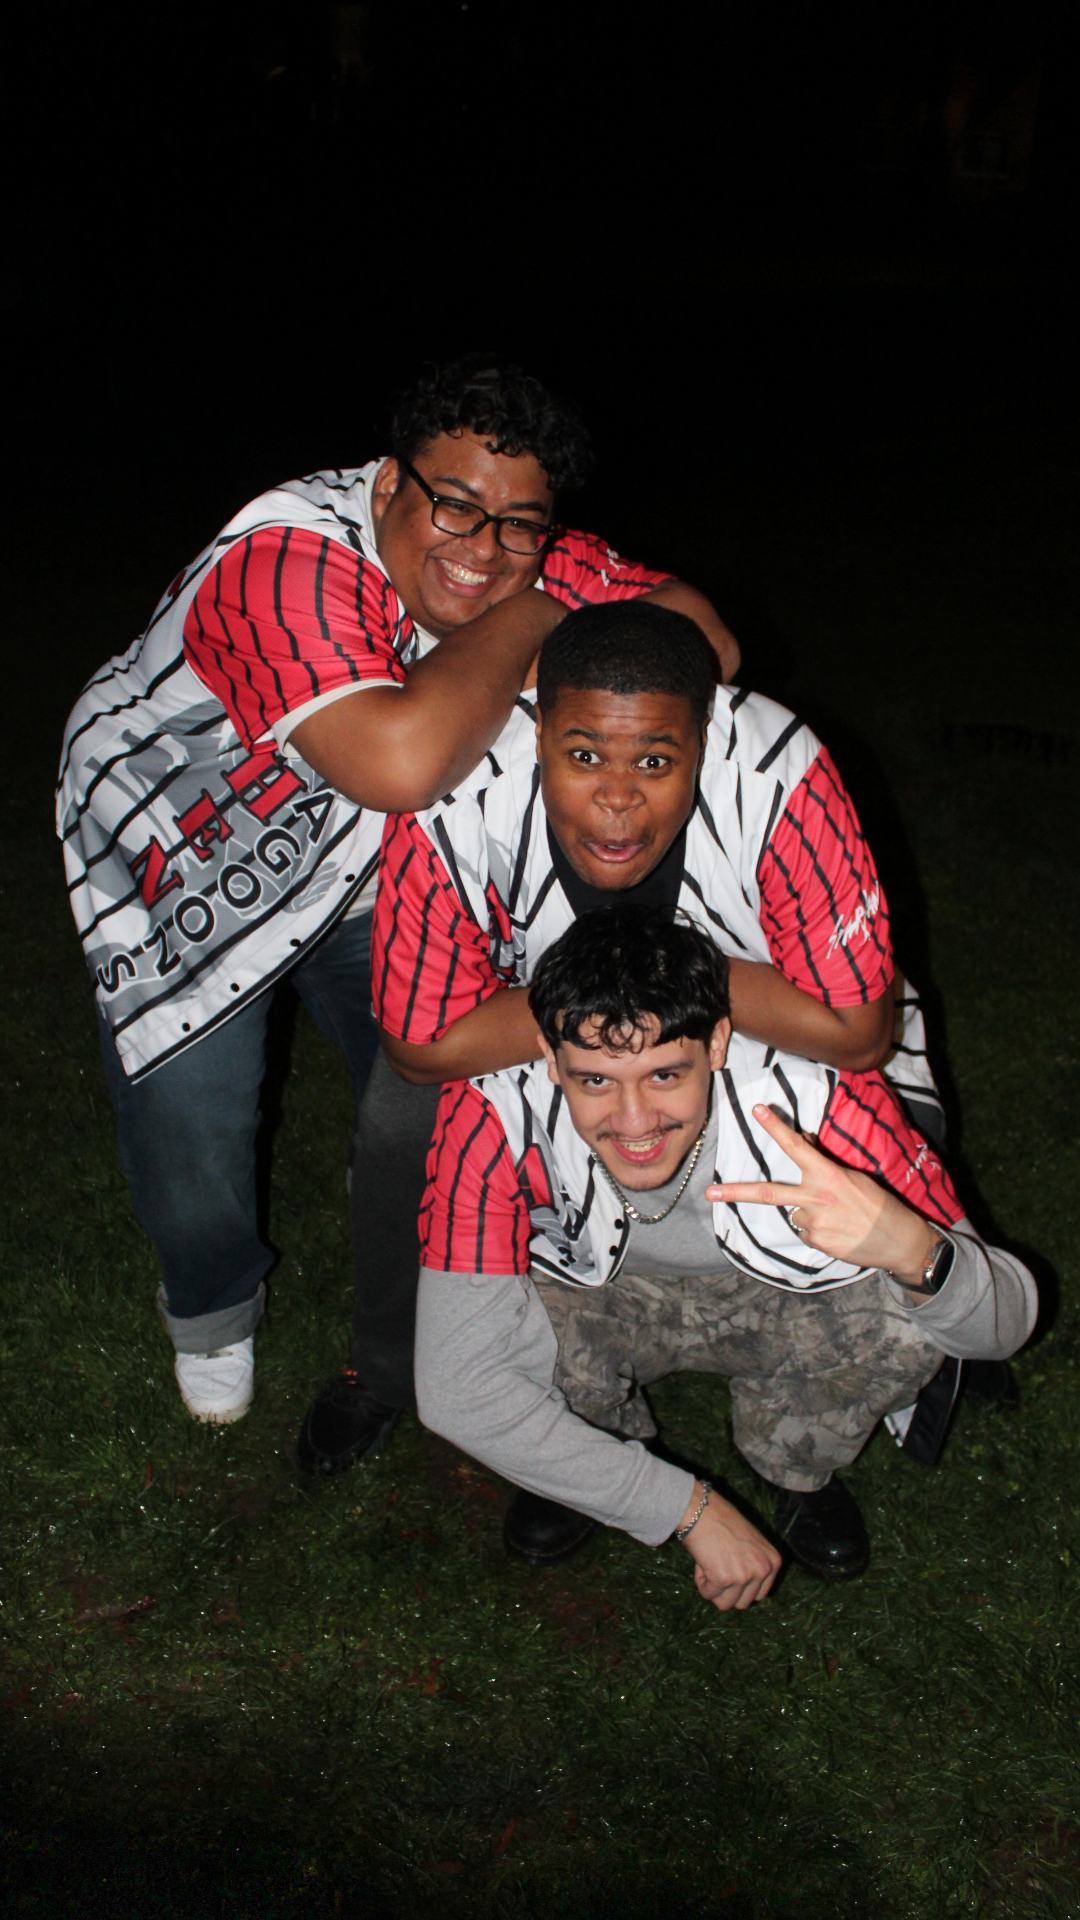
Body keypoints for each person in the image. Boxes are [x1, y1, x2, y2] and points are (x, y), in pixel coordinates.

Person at [57, 359, 738, 1428]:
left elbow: (703, 643)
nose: (480, 552)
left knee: (438, 1087)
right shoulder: (283, 561)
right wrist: (535, 618)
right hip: (172, 851)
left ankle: (443, 1312)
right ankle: (214, 1307)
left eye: (520, 526)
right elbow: (399, 763)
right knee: (191, 1135)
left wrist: (544, 591)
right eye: (453, 506)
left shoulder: (523, 550)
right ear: (387, 485)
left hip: (351, 855)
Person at [360, 596, 946, 1554]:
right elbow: (422, 1046)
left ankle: (794, 1453)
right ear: (536, 729)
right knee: (421, 1136)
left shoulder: (775, 768)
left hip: (748, 1037)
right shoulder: (460, 787)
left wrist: (670, 976)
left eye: (656, 761)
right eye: (584, 754)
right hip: (566, 1046)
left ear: (705, 742)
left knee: (887, 1156)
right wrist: (604, 1019)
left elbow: (854, 1028)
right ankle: (587, 1448)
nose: (619, 798)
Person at [414, 909, 1035, 1594]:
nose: (634, 1123)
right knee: (496, 1330)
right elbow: (454, 1390)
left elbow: (1004, 1326)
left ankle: (790, 1461)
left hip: (775, 1291)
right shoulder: (490, 1110)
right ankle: (597, 1453)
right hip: (596, 1290)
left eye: (663, 1075)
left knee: (905, 1320)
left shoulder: (819, 1100)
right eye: (594, 1080)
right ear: (546, 1051)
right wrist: (683, 1508)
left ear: (717, 1044)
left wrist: (915, 1249)